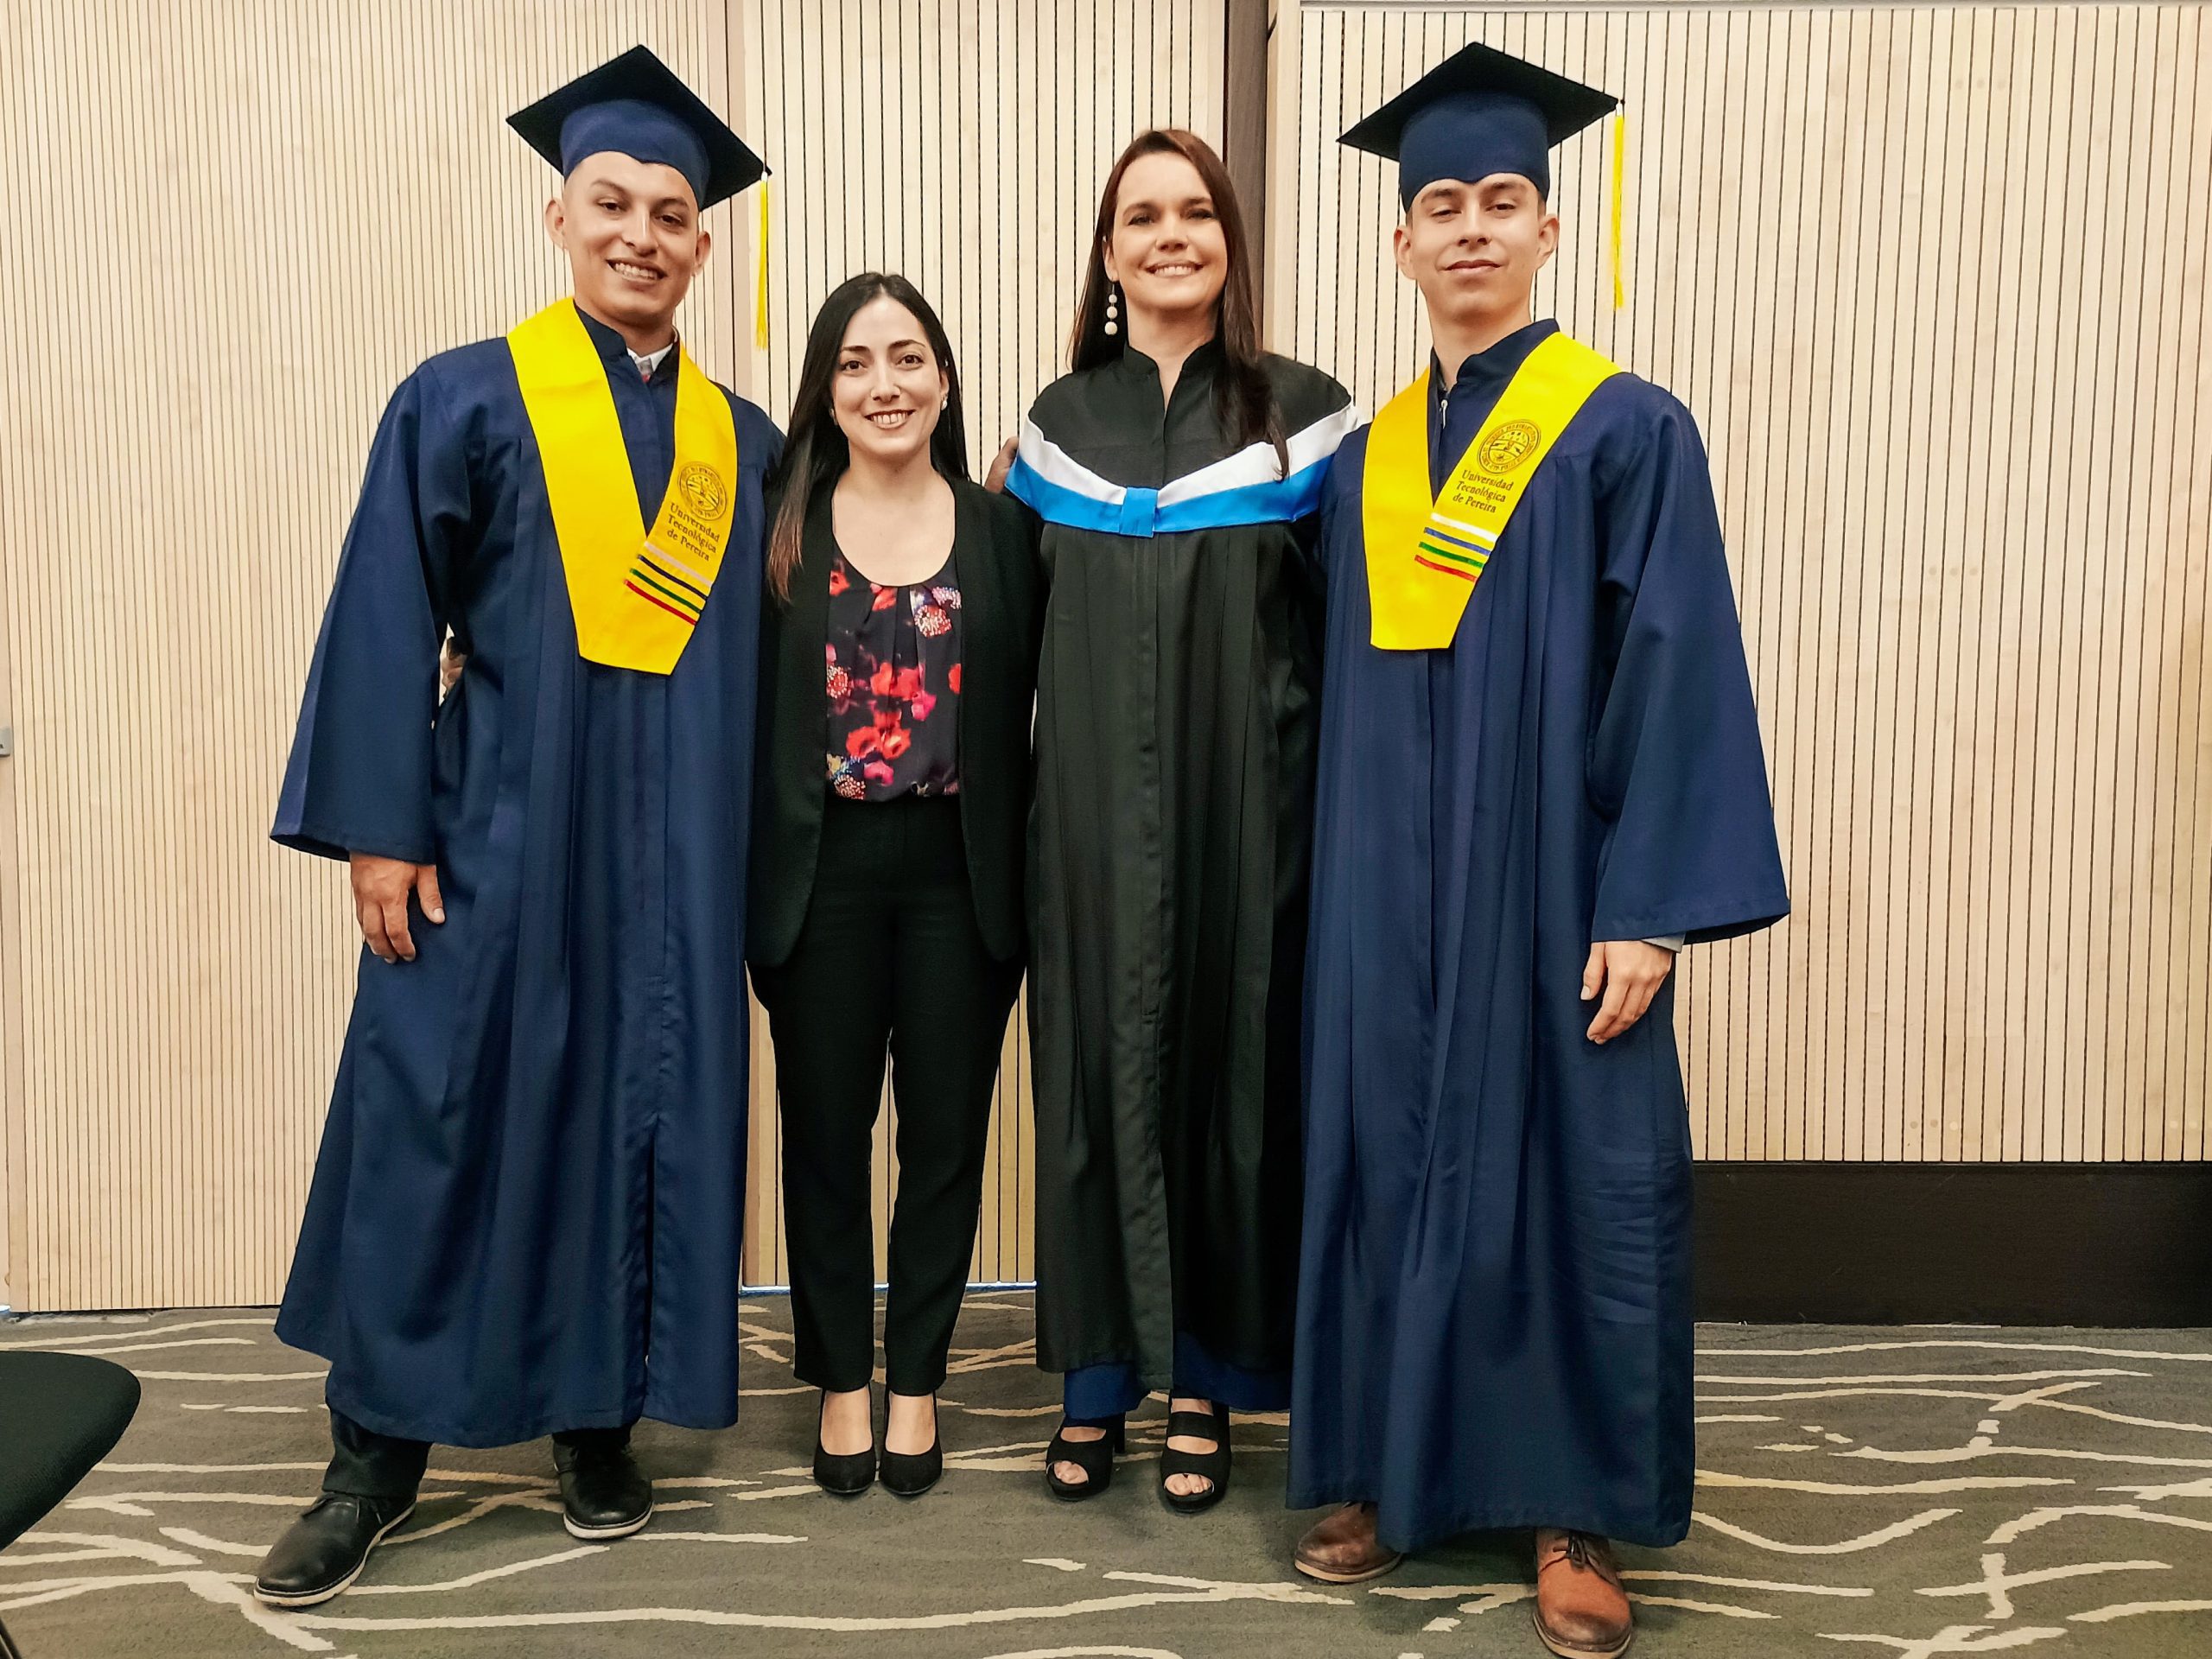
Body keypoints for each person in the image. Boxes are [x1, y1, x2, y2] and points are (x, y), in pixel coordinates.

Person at [254, 47, 779, 1607]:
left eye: (671, 213)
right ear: (560, 217)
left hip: (673, 858)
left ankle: (594, 1423)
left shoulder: (742, 441)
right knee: (438, 1112)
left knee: (642, 1117)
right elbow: (384, 615)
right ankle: (372, 1455)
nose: (641, 232)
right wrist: (379, 830)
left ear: (703, 244)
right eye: (611, 201)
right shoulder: (466, 393)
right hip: (494, 828)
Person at [1287, 40, 1789, 1659]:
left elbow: (1681, 664)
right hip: (1385, 892)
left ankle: (1572, 1508)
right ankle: (1379, 1464)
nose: (1473, 229)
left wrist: (1651, 906)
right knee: (1381, 1155)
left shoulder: (1625, 431)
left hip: (1558, 886)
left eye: (1504, 199)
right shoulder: (1359, 466)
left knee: (1574, 1167)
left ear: (1551, 229)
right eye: (1442, 204)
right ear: (1401, 242)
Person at [997, 129, 1358, 1513]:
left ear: (1229, 244)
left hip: (1249, 826)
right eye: (1141, 216)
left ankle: (1206, 1380)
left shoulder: (1307, 419)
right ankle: (1096, 1377)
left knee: (1228, 1084)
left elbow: (1360, 647)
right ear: (1107, 253)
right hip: (1083, 827)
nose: (1169, 235)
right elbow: (1003, 640)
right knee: (1090, 1081)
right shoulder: (1053, 430)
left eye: (1195, 213)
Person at [749, 274, 1040, 1500]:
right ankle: (840, 1378)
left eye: (909, 358)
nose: (886, 384)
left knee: (944, 1142)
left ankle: (916, 1375)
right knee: (823, 1139)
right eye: (858, 362)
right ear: (827, 387)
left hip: (957, 876)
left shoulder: (1002, 529)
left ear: (945, 380)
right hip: (820, 876)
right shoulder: (779, 528)